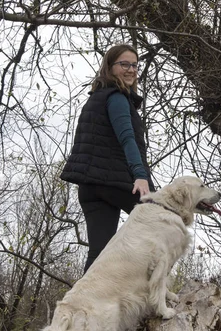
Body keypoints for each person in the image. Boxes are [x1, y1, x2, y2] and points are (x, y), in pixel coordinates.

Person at [61, 43, 155, 272]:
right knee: (162, 220)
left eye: (135, 65)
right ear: (110, 67)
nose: (131, 70)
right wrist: (141, 176)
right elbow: (127, 138)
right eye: (124, 64)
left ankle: (83, 306)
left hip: (91, 187)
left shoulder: (96, 99)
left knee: (99, 254)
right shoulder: (116, 98)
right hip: (117, 182)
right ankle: (152, 294)